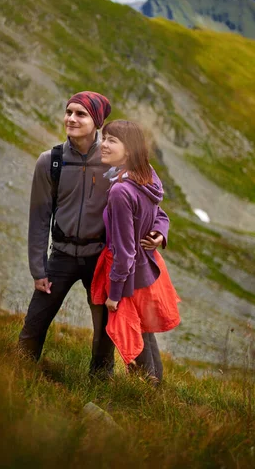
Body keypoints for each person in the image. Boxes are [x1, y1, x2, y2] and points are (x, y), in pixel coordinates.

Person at [19, 92, 168, 377]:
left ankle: (100, 383)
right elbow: (39, 217)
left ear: (97, 121)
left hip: (100, 258)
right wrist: (38, 268)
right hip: (60, 255)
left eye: (80, 114)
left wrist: (160, 233)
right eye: (69, 112)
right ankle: (19, 371)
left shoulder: (116, 158)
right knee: (35, 320)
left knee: (105, 329)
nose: (71, 119)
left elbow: (155, 208)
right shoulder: (50, 161)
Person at [91, 120, 180, 382]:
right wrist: (160, 231)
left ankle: (144, 391)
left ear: (128, 150)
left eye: (112, 140)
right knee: (143, 329)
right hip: (146, 268)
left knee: (131, 330)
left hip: (127, 273)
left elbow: (124, 250)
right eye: (104, 138)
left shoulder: (120, 190)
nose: (103, 144)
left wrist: (115, 294)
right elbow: (158, 212)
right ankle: (156, 389)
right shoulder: (146, 176)